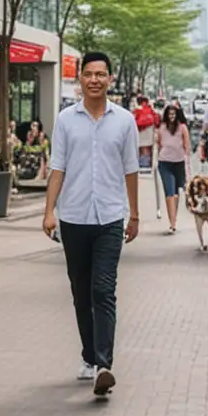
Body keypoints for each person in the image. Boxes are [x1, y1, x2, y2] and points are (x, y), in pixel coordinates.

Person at [42, 50, 140, 398]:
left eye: (101, 74)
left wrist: (135, 214)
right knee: (81, 291)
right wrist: (49, 210)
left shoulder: (125, 120)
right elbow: (58, 168)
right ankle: (88, 354)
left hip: (111, 217)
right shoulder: (66, 120)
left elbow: (131, 169)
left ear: (110, 79)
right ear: (79, 78)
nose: (95, 79)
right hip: (74, 217)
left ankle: (103, 364)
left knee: (103, 289)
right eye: (89, 74)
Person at [154, 103, 190, 234]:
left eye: (173, 114)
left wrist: (187, 168)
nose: (171, 116)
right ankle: (172, 223)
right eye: (169, 114)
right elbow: (159, 145)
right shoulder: (162, 128)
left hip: (179, 163)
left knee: (176, 193)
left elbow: (187, 148)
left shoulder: (182, 128)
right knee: (169, 192)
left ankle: (174, 218)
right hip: (165, 163)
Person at [133, 94, 158, 174]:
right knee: (146, 152)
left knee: (139, 153)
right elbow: (157, 122)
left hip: (137, 136)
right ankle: (145, 169)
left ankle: (139, 168)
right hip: (148, 137)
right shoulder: (151, 111)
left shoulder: (136, 111)